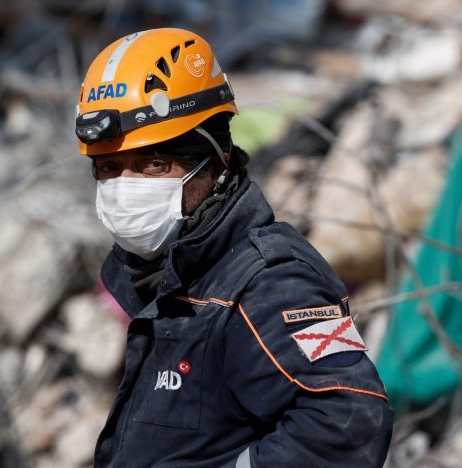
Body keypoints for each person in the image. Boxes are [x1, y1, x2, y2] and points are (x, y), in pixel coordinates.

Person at [76, 28, 393, 468]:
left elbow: (351, 416)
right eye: (109, 168)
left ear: (216, 159)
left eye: (153, 164)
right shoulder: (173, 279)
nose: (125, 188)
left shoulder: (273, 281)